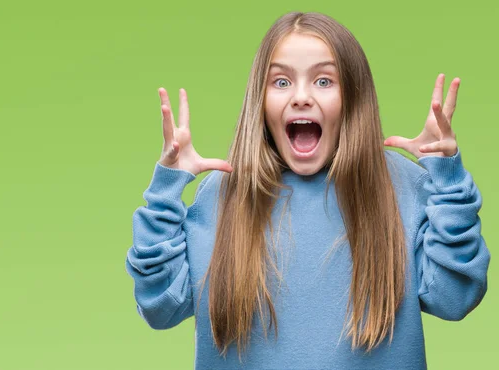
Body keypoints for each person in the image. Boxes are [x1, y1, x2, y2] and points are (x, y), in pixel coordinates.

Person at [125, 11, 490, 369]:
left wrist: (448, 180)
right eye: (281, 82)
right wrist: (166, 191)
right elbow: (160, 308)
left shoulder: (403, 187)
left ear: (353, 98)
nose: (300, 97)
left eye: (324, 81)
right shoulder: (223, 194)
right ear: (261, 101)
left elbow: (454, 298)